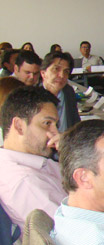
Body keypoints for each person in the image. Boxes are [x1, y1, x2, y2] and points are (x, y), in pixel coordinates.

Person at [0, 86, 66, 233]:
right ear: (19, 126)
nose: (55, 133)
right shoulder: (25, 182)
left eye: (56, 125)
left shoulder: (34, 160)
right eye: (47, 123)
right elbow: (74, 231)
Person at [40, 51, 80, 132]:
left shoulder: (68, 91)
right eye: (56, 69)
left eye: (66, 71)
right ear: (43, 73)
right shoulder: (33, 96)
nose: (62, 75)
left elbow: (75, 122)